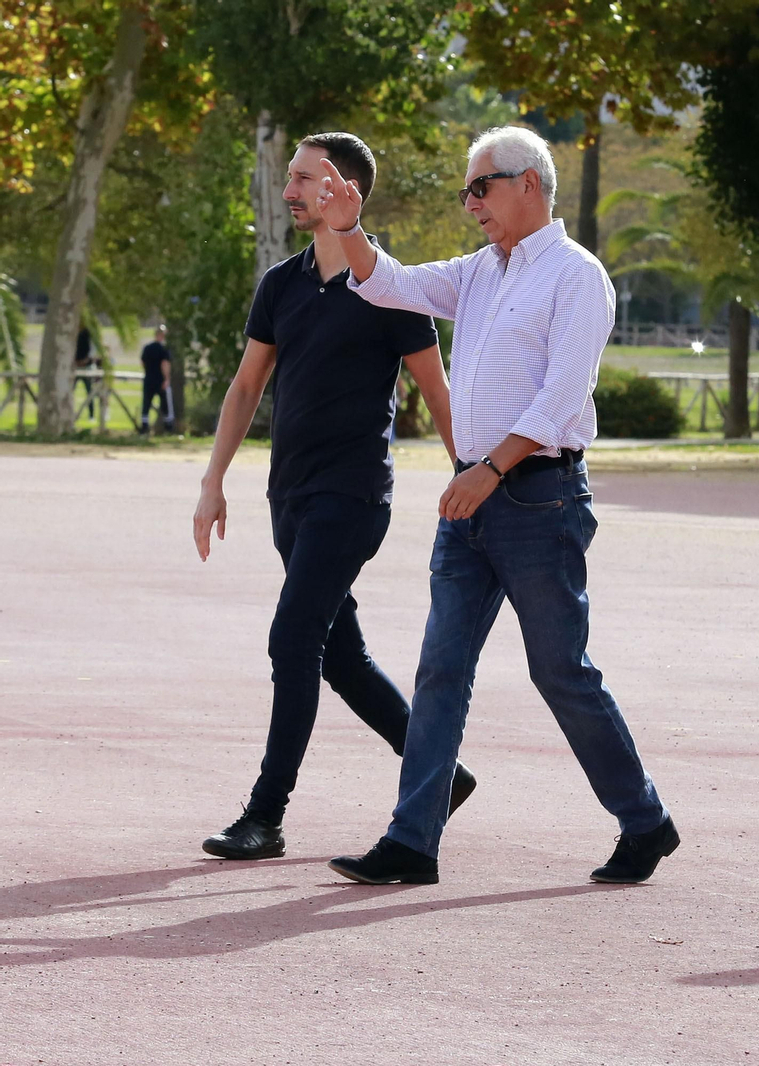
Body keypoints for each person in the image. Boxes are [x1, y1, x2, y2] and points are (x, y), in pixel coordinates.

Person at [318, 126, 677, 887]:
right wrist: (349, 229)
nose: (471, 202)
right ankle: (412, 841)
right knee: (440, 670)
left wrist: (488, 469)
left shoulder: (578, 277)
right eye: (466, 190)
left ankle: (644, 820)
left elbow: (561, 397)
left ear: (531, 186)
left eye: (483, 187)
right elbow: (391, 284)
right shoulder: (481, 271)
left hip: (539, 500)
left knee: (560, 672)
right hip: (470, 504)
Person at [193, 131, 465, 861]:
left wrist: (471, 475)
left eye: (305, 178)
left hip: (352, 498)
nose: (290, 191)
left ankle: (265, 815)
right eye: (290, 177)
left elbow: (435, 392)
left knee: (293, 639)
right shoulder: (280, 284)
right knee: (339, 657)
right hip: (291, 497)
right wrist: (213, 481)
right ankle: (441, 773)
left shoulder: (391, 287)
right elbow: (248, 384)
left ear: (343, 189)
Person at [139, 325, 175, 433]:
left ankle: (144, 426)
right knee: (165, 404)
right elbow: (165, 364)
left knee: (146, 403)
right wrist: (166, 379)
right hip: (160, 380)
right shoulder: (163, 349)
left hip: (148, 379)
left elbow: (142, 362)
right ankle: (168, 427)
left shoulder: (147, 348)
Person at [73, 322, 98, 420]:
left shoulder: (88, 334)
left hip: (86, 367)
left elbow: (92, 350)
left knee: (89, 392)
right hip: (74, 367)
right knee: (70, 391)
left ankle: (91, 415)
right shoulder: (73, 333)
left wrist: (86, 360)